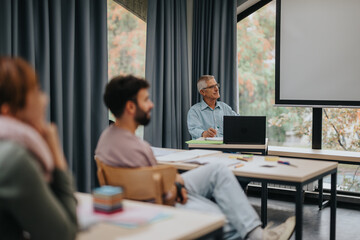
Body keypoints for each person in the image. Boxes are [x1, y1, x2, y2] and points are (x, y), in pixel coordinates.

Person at [95, 75, 295, 240]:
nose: (151, 105)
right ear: (131, 107)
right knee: (225, 218)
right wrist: (177, 185)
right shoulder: (135, 146)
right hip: (164, 195)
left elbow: (150, 176)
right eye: (146, 99)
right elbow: (161, 189)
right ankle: (259, 236)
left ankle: (255, 233)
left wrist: (174, 180)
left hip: (164, 185)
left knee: (218, 170)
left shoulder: (109, 137)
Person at [0, 57, 78, 240]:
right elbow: (63, 234)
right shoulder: (12, 159)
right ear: (7, 109)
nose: (44, 100)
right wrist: (55, 150)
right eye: (35, 92)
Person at [187, 75, 238, 139]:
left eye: (216, 85)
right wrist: (204, 133)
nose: (216, 89)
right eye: (212, 87)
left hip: (226, 147)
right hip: (206, 148)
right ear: (202, 92)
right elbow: (193, 129)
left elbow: (238, 122)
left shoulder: (225, 107)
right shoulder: (194, 111)